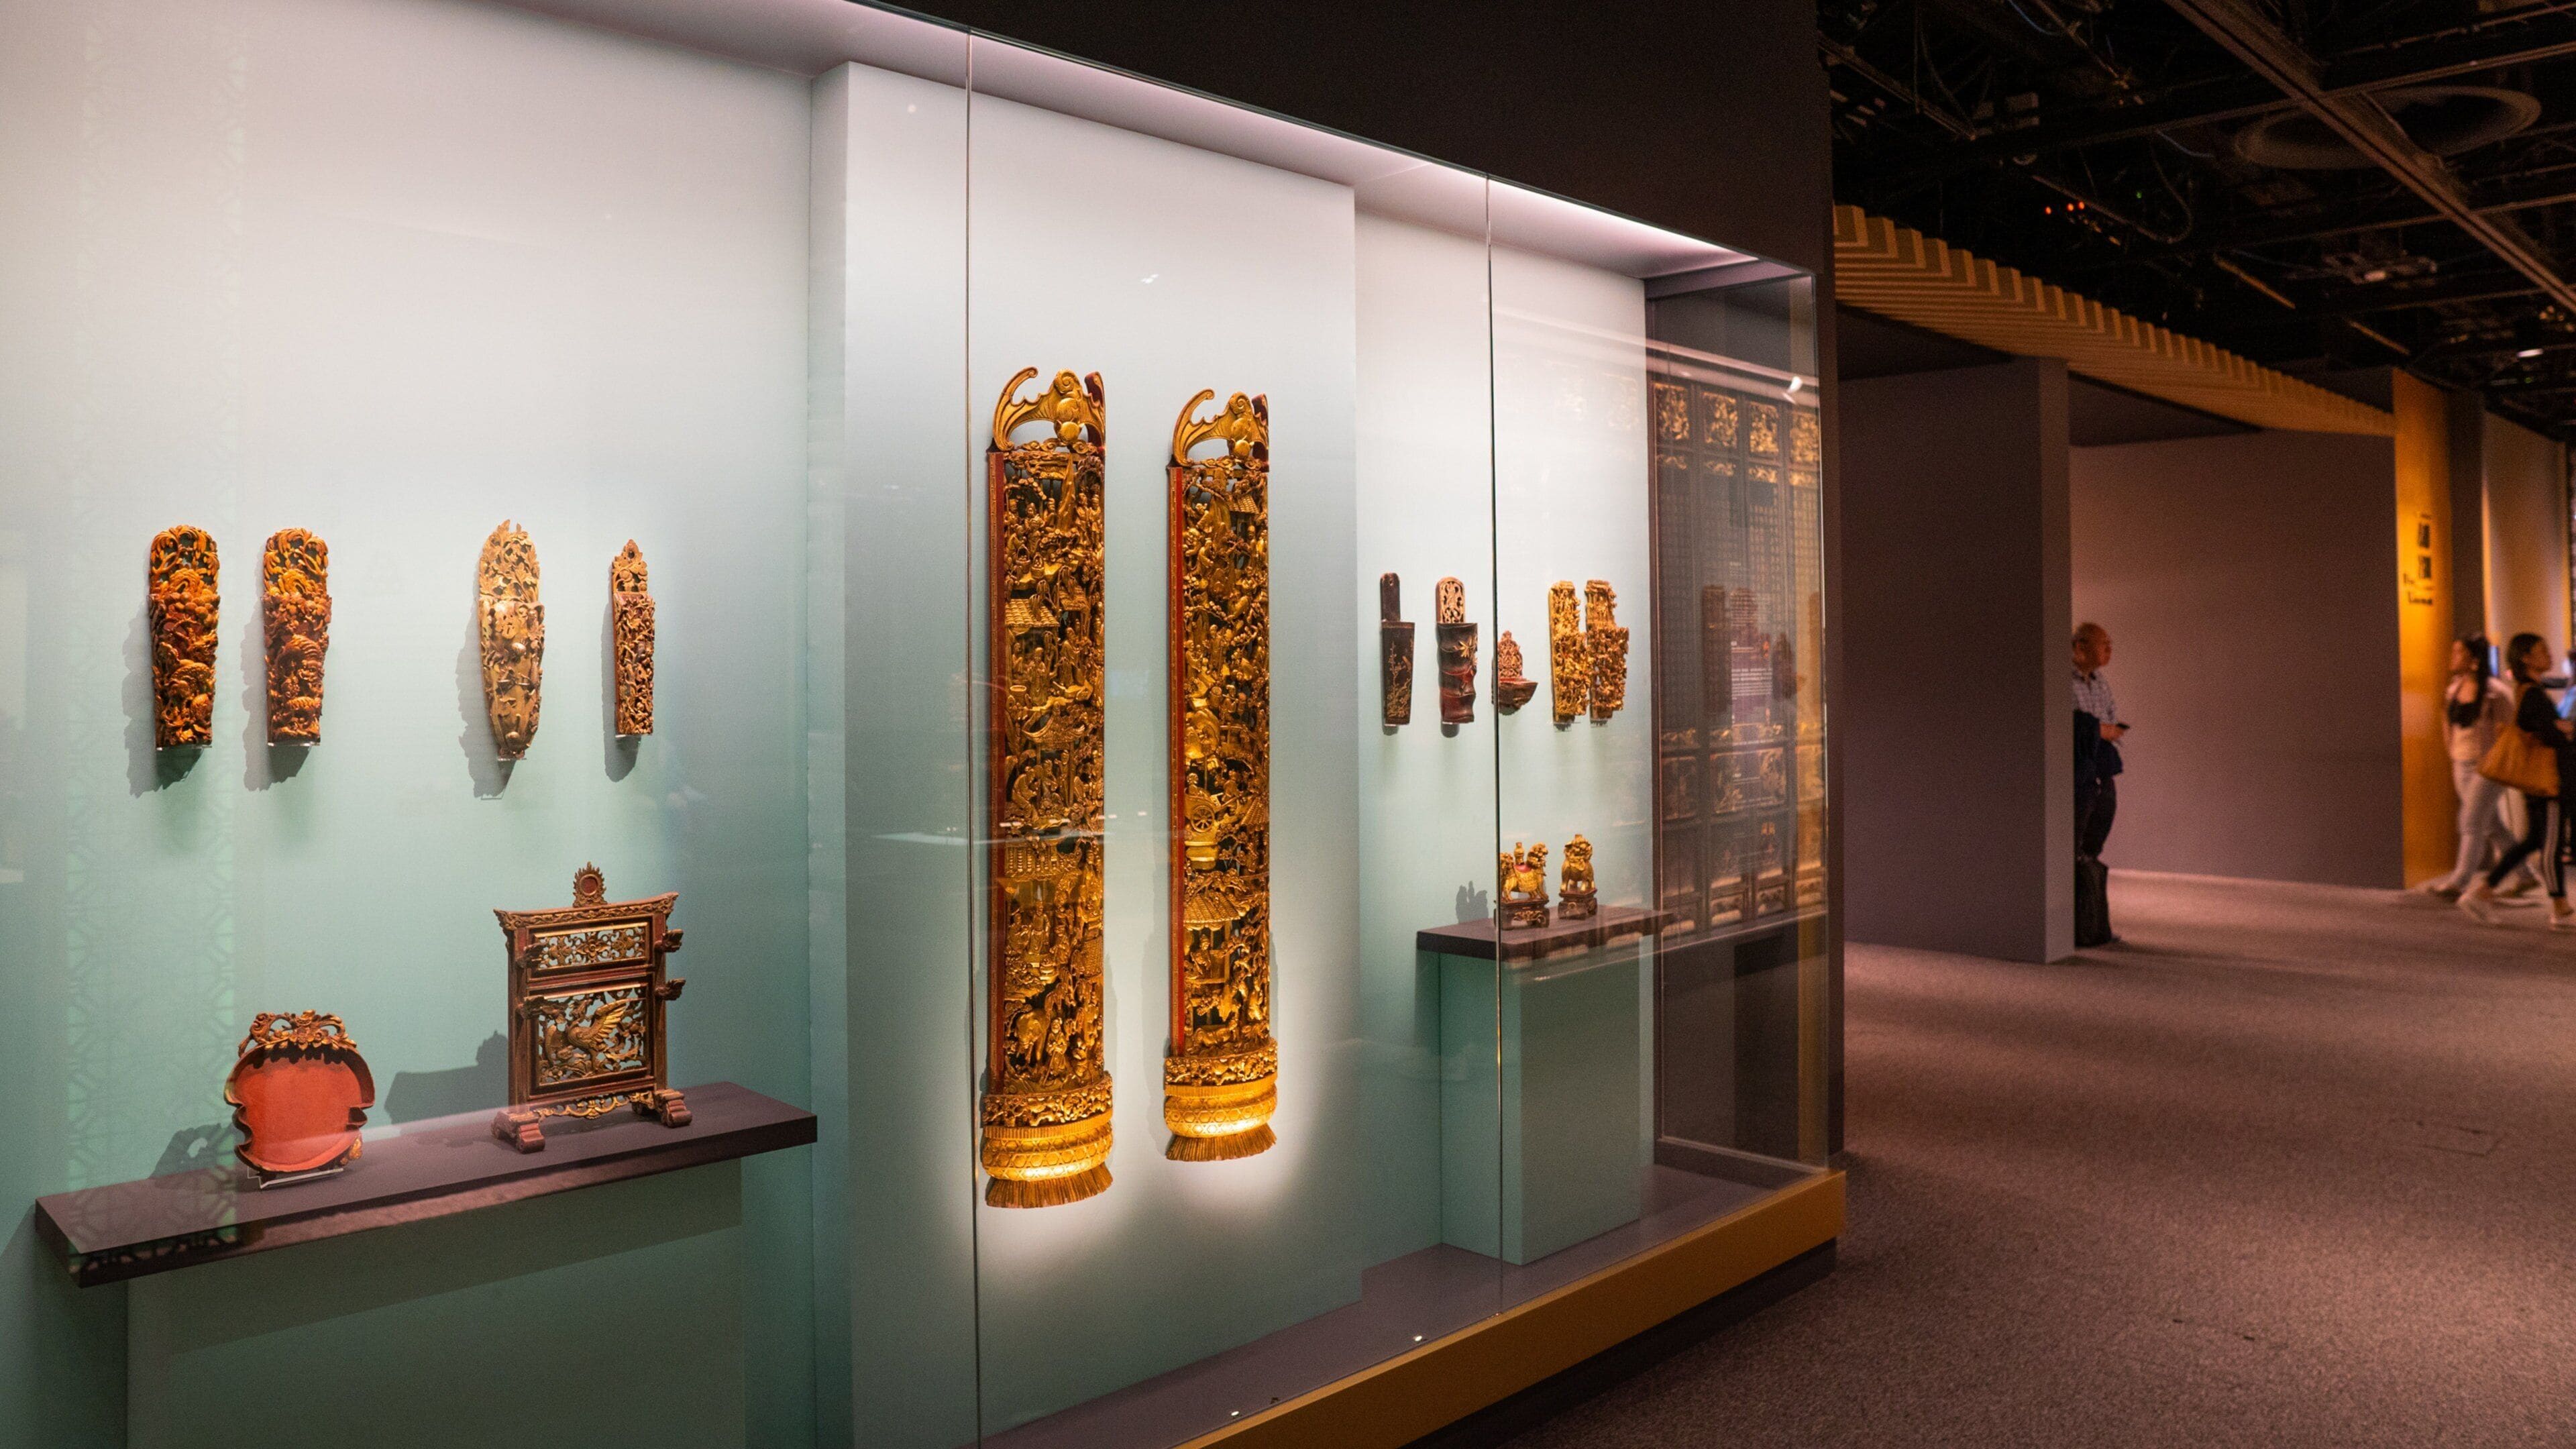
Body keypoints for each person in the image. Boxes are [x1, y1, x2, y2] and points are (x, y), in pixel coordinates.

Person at [2459, 632, 2575, 928]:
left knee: (2534, 840)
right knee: (2551, 844)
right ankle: (2560, 907)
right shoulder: (2533, 695)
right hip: (2548, 782)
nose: (2549, 654)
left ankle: (2482, 892)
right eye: (2542, 650)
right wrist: (2564, 730)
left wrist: (2561, 728)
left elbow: (2548, 729)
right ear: (2526, 658)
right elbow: (2550, 734)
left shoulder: (2531, 691)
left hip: (2540, 781)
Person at [2419, 635, 2528, 897]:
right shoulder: (2454, 690)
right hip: (2461, 763)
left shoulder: (2495, 692)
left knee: (2470, 822)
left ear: (2474, 658)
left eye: (2459, 652)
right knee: (2491, 825)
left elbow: (2509, 730)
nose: (2453, 657)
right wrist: (2451, 752)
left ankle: (2459, 882)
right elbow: (2448, 724)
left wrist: (2499, 762)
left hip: (2486, 767)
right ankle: (2526, 874)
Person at [2072, 623, 2126, 861]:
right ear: (2081, 647)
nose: (2109, 650)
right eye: (2104, 644)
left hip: (2101, 764)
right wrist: (2097, 730)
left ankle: (2088, 868)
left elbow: (2110, 717)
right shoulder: (2062, 679)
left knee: (2103, 814)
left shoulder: (2100, 681)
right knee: (2076, 825)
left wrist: (2103, 731)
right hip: (2077, 766)